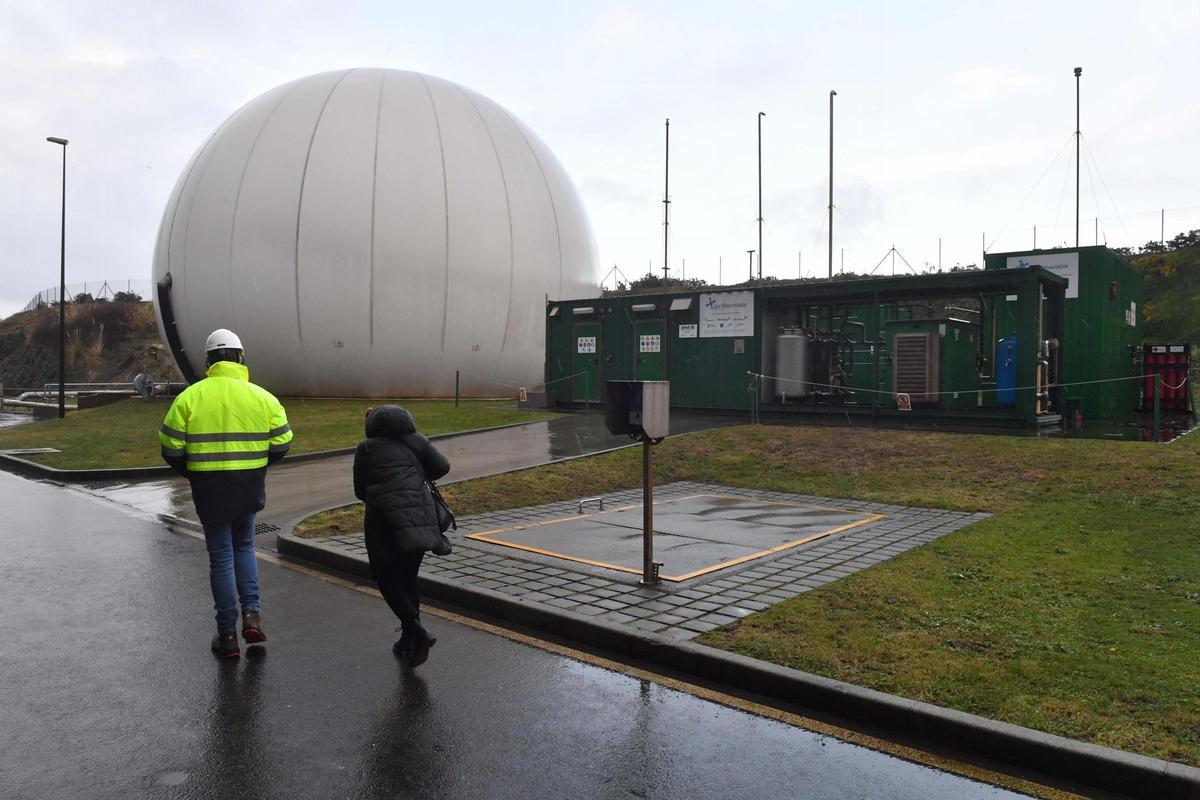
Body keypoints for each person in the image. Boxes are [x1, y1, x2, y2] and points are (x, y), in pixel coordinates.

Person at [158, 329, 293, 659]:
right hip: (247, 487)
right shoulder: (263, 398)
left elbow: (170, 446)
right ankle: (252, 615)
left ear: (208, 362)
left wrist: (192, 471)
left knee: (220, 557)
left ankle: (227, 635)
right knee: (244, 546)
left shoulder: (189, 398)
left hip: (209, 490)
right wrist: (257, 464)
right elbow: (283, 442)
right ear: (241, 358)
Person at [353, 405, 450, 667]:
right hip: (420, 518)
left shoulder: (367, 448)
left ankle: (417, 631)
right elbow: (442, 467)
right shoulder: (418, 441)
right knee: (408, 579)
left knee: (387, 579)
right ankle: (409, 640)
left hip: (383, 523)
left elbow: (360, 490)